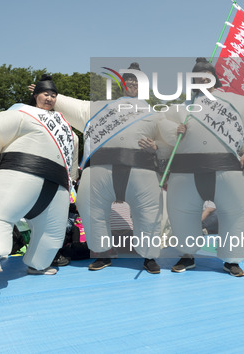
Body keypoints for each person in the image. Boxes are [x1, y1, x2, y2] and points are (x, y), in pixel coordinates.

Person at [49, 64, 165, 274]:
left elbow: (168, 142)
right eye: (128, 79)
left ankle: (149, 256)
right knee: (90, 206)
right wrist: (44, 91)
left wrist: (157, 147)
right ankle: (102, 252)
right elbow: (66, 102)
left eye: (136, 80)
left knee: (149, 211)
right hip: (99, 168)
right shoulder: (98, 108)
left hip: (141, 168)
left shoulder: (155, 113)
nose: (131, 83)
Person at [163, 58, 244, 277]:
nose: (201, 81)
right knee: (181, 213)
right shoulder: (179, 109)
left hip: (229, 169)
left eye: (205, 77)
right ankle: (186, 254)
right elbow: (161, 131)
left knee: (238, 213)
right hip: (185, 172)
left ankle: (232, 260)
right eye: (196, 78)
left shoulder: (240, 102)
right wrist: (173, 131)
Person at [0, 74, 79, 275]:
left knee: (52, 231)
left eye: (53, 95)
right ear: (36, 95)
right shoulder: (22, 112)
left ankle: (39, 263)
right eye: (45, 94)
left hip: (58, 182)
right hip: (22, 171)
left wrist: (72, 177)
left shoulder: (65, 127)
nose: (49, 98)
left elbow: (73, 150)